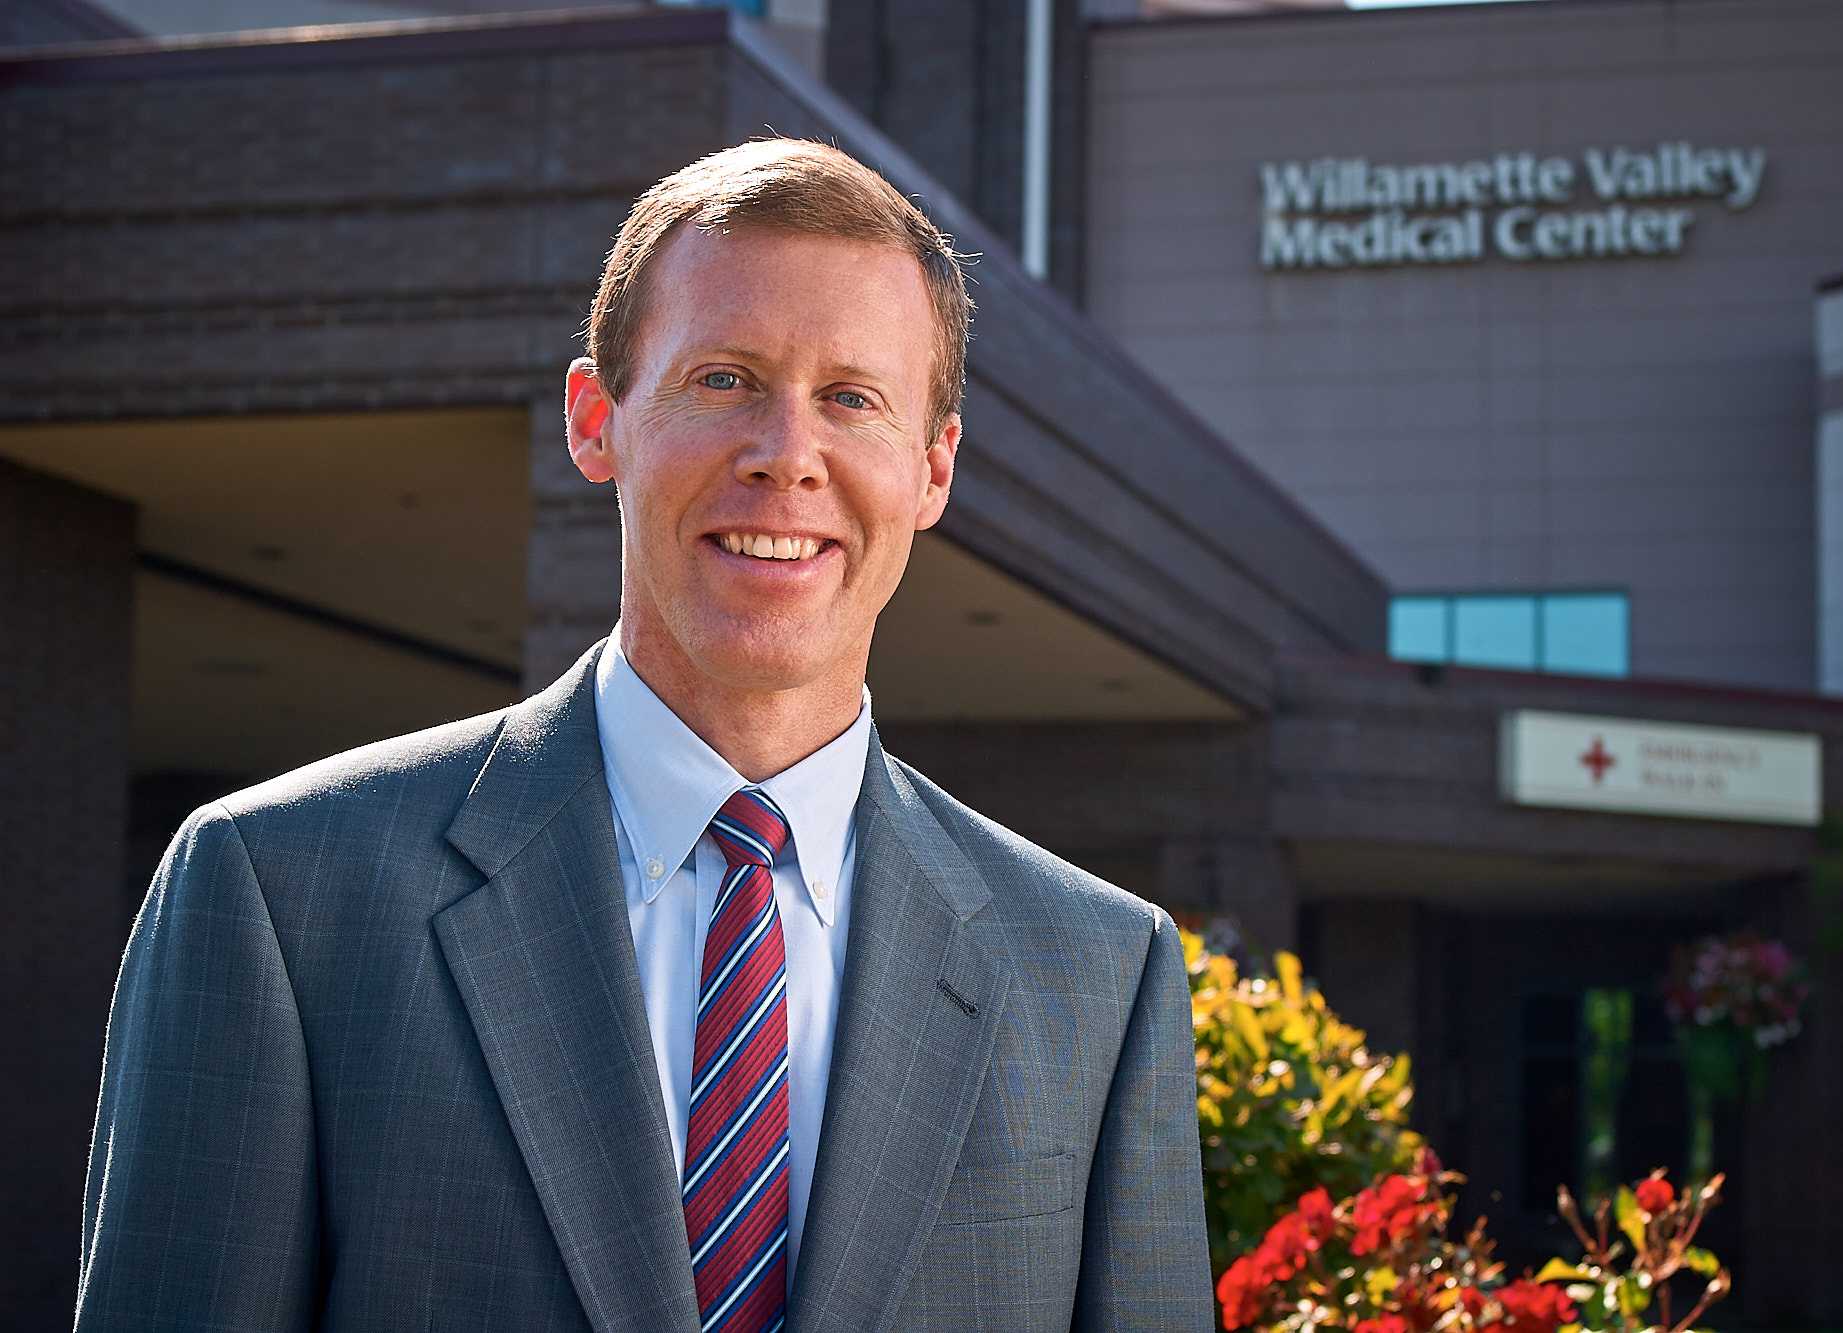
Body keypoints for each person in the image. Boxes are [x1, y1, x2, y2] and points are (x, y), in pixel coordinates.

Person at [76, 139, 1209, 1332]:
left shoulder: (1095, 970)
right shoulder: (280, 894)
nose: (785, 452)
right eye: (723, 378)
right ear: (594, 421)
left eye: (851, 398)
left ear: (930, 469)